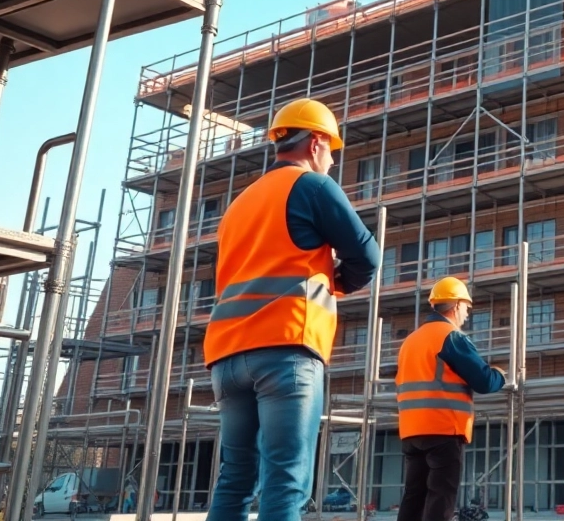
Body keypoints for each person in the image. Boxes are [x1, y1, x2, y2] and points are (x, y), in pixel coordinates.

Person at [204, 98, 379, 521]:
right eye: (332, 150)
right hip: (285, 348)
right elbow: (367, 257)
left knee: (234, 480)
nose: (333, 161)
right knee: (284, 482)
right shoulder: (312, 186)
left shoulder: (238, 205)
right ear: (316, 142)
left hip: (226, 356)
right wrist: (335, 283)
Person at [396, 276, 505, 521]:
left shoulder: (410, 341)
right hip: (443, 428)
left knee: (414, 495)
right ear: (455, 305)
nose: (467, 314)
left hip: (412, 431)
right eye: (466, 307)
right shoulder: (450, 336)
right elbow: (484, 381)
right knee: (441, 494)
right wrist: (501, 376)